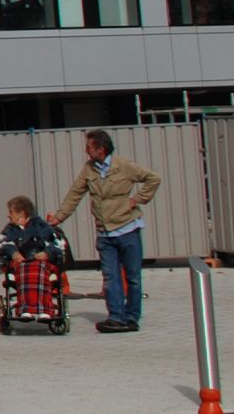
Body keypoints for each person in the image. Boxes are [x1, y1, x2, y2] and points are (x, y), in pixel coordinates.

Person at [51, 128, 160, 333]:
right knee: (110, 277)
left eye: (89, 147)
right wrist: (59, 218)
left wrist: (137, 199)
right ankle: (116, 317)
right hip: (105, 234)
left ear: (101, 149)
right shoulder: (89, 169)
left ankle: (131, 317)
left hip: (127, 229)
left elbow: (153, 179)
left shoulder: (123, 166)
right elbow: (75, 194)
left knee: (132, 277)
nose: (86, 151)